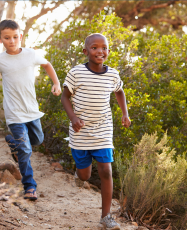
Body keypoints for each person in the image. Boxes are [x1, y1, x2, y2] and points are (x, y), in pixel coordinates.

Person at [0, 19, 61, 200]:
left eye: (15, 37)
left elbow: (47, 65)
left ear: (21, 36)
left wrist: (56, 83)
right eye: (7, 38)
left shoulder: (30, 54)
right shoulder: (0, 59)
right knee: (25, 150)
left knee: (38, 139)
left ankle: (12, 143)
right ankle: (29, 187)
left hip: (32, 111)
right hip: (14, 113)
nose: (12, 41)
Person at [61, 33, 131, 229]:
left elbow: (119, 91)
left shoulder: (113, 74)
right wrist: (73, 118)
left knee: (106, 171)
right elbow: (65, 97)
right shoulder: (76, 73)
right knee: (85, 176)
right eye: (94, 47)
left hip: (103, 129)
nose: (100, 51)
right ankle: (79, 174)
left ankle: (106, 216)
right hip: (80, 130)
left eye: (104, 47)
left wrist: (124, 113)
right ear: (85, 51)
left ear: (108, 51)